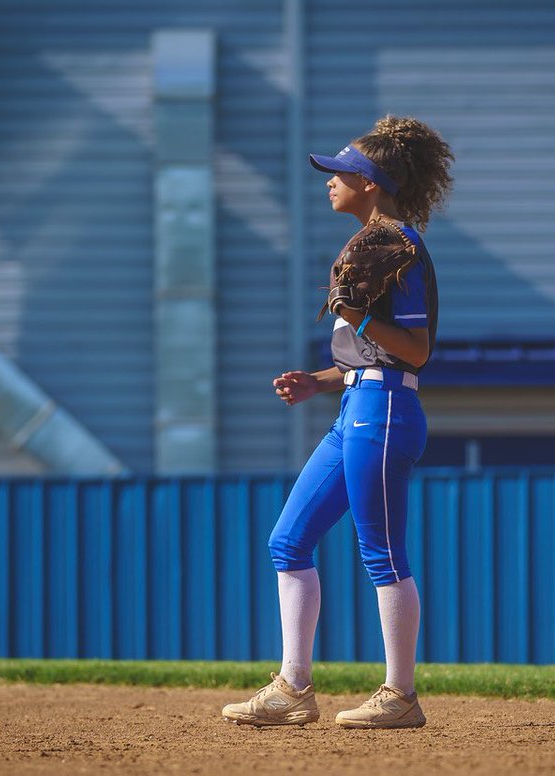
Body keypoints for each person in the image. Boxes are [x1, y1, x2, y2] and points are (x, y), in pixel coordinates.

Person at [222, 115, 454, 729]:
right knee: (287, 541)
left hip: (384, 414)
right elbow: (367, 359)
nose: (330, 181)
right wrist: (317, 380)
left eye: (341, 173)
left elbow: (416, 352)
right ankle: (292, 689)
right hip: (357, 405)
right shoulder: (371, 239)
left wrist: (357, 315)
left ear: (371, 183)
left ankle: (400, 696)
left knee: (381, 553)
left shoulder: (399, 243)